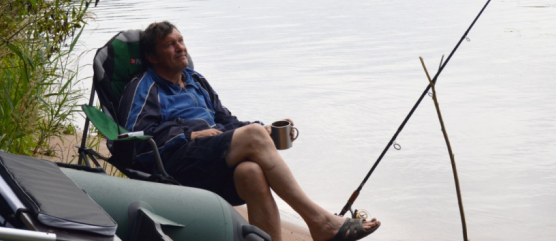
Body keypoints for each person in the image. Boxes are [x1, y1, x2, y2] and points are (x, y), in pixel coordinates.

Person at [118, 21, 381, 241]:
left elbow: (226, 120)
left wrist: (263, 130)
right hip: (174, 164)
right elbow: (136, 138)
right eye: (170, 44)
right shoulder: (145, 86)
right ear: (152, 57)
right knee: (253, 135)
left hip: (209, 161)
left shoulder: (196, 81)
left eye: (181, 40)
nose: (180, 48)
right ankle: (320, 221)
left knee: (251, 172)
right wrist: (189, 135)